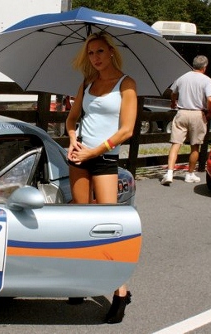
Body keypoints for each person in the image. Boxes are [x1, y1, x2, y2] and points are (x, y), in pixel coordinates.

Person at [65, 31, 138, 324]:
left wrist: (93, 152)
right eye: (90, 53)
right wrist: (72, 140)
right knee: (82, 224)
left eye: (99, 52)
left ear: (111, 52)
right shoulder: (87, 82)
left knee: (108, 228)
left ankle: (121, 291)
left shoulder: (126, 84)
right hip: (79, 158)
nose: (95, 58)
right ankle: (84, 281)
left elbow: (126, 131)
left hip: (104, 158)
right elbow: (72, 119)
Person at [160, 55, 211, 185]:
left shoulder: (182, 77)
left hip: (182, 112)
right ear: (204, 67)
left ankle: (169, 173)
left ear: (193, 65)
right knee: (195, 145)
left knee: (175, 144)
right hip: (197, 114)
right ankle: (189, 174)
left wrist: (173, 103)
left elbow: (173, 93)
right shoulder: (206, 80)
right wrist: (209, 112)